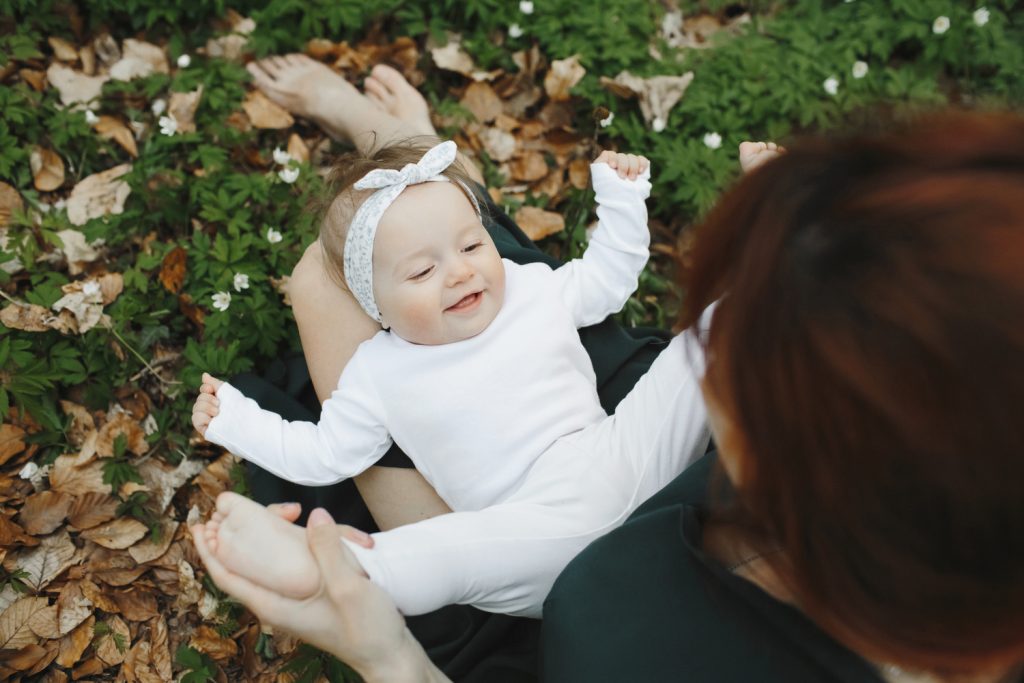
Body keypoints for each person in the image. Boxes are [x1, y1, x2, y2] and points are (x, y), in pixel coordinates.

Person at [196, 109, 1024, 683]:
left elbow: (599, 285)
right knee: (417, 294)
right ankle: (417, 160)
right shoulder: (390, 364)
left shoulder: (617, 629)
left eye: (754, 357)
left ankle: (342, 570)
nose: (463, 271)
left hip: (572, 505)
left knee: (335, 293)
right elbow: (331, 442)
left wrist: (387, 657)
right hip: (560, 490)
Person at [189, 128, 721, 618]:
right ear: (376, 304)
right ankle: (338, 569)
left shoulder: (528, 285)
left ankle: (769, 262)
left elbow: (607, 281)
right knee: (444, 552)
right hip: (533, 531)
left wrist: (622, 200)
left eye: (471, 246)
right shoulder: (377, 372)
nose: (460, 271)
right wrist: (236, 422)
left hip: (625, 456)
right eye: (423, 270)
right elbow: (324, 453)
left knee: (701, 345)